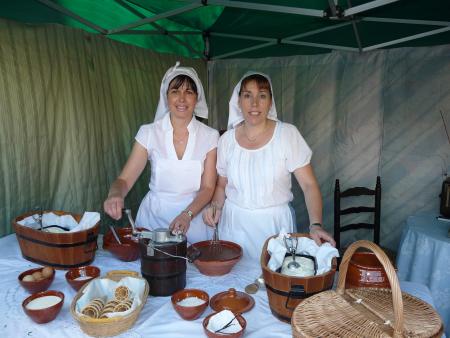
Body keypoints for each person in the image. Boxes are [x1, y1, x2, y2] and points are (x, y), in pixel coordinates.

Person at [203, 72, 335, 260]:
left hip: (274, 228)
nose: (254, 103)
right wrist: (215, 207)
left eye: (262, 95)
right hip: (234, 227)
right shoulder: (226, 141)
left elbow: (309, 185)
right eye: (247, 95)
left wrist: (315, 225)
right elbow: (221, 185)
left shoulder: (287, 135)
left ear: (271, 102)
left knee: (273, 282)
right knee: (233, 287)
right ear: (238, 101)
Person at [104, 62, 219, 244]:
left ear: (197, 98)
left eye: (189, 92)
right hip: (152, 222)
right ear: (166, 97)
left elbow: (208, 188)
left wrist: (187, 215)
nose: (182, 99)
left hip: (193, 222)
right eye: (175, 91)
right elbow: (124, 180)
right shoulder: (148, 132)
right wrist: (115, 194)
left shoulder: (210, 136)